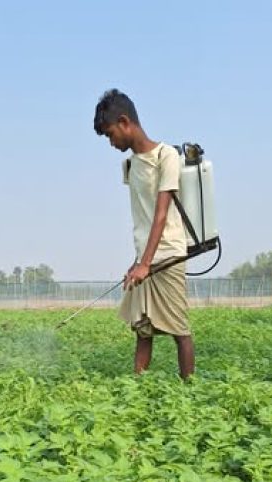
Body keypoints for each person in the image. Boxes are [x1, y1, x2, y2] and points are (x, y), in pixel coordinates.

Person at [94, 89, 195, 379]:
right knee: (143, 329)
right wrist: (137, 261)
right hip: (145, 257)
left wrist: (146, 263)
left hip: (168, 256)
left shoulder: (166, 157)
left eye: (111, 134)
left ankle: (190, 390)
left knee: (179, 330)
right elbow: (143, 217)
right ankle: (137, 392)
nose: (111, 142)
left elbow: (161, 215)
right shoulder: (130, 165)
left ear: (125, 122)